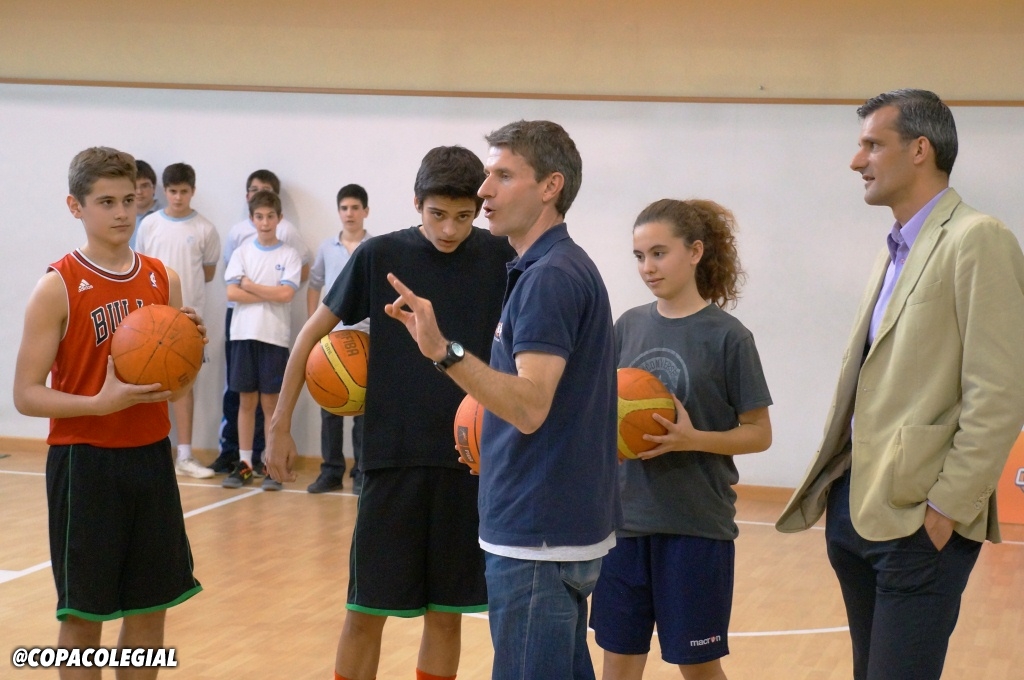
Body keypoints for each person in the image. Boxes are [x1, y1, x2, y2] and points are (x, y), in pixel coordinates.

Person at [776, 89, 1024, 680]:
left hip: (920, 521)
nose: (856, 161)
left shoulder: (978, 238)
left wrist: (945, 509)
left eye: (871, 144)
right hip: (857, 507)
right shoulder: (895, 249)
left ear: (920, 149)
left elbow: (1001, 391)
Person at [267, 146, 514, 680]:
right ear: (416, 202)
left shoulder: (500, 258)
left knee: (446, 617)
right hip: (390, 460)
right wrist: (280, 423)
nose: (449, 229)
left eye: (463, 216)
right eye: (438, 214)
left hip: (468, 463)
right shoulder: (380, 254)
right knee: (364, 613)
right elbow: (311, 334)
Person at [384, 120, 619, 680]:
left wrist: (443, 351)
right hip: (557, 527)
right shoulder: (555, 267)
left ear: (550, 186)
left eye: (503, 176)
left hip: (537, 533)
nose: (484, 190)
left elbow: (530, 406)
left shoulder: (549, 278)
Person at [12, 147, 204, 679]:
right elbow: (25, 394)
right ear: (75, 206)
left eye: (129, 200)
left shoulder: (164, 279)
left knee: (151, 609)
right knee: (84, 618)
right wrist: (97, 404)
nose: (122, 213)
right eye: (106, 202)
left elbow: (177, 385)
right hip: (85, 464)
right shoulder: (56, 285)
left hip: (150, 458)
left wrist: (190, 352)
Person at [589, 199, 773, 680]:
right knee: (617, 666)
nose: (647, 267)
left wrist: (692, 439)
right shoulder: (628, 325)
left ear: (694, 252)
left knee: (698, 668)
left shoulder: (729, 337)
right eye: (639, 256)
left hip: (696, 529)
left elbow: (759, 434)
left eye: (658, 253)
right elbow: (601, 410)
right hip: (624, 527)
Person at [211, 169, 311, 475]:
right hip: (243, 334)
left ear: (279, 218)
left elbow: (286, 295)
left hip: (274, 337)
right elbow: (231, 292)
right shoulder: (242, 252)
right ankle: (244, 463)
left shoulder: (290, 255)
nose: (265, 222)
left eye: (270, 216)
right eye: (259, 217)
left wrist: (250, 285)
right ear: (252, 219)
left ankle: (270, 463)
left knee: (270, 404)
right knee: (245, 402)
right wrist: (268, 292)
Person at [135, 162, 221, 479]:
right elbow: (139, 268)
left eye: (184, 191)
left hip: (186, 319)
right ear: (165, 191)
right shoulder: (149, 225)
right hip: (150, 321)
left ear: (193, 191)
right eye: (172, 191)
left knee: (183, 384)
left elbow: (208, 273)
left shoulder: (205, 229)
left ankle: (185, 455)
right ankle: (146, 451)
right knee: (145, 382)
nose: (178, 197)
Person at [305, 183, 372, 494]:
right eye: (344, 208)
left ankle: (361, 472)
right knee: (329, 406)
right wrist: (313, 326)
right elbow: (315, 284)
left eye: (355, 207)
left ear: (365, 211)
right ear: (338, 212)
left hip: (365, 337)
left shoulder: (374, 247)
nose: (349, 213)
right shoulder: (326, 248)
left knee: (363, 411)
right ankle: (331, 471)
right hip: (331, 339)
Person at [129, 159, 160, 250]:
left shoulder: (167, 216)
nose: (139, 192)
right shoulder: (121, 217)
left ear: (154, 188)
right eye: (134, 187)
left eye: (144, 186)